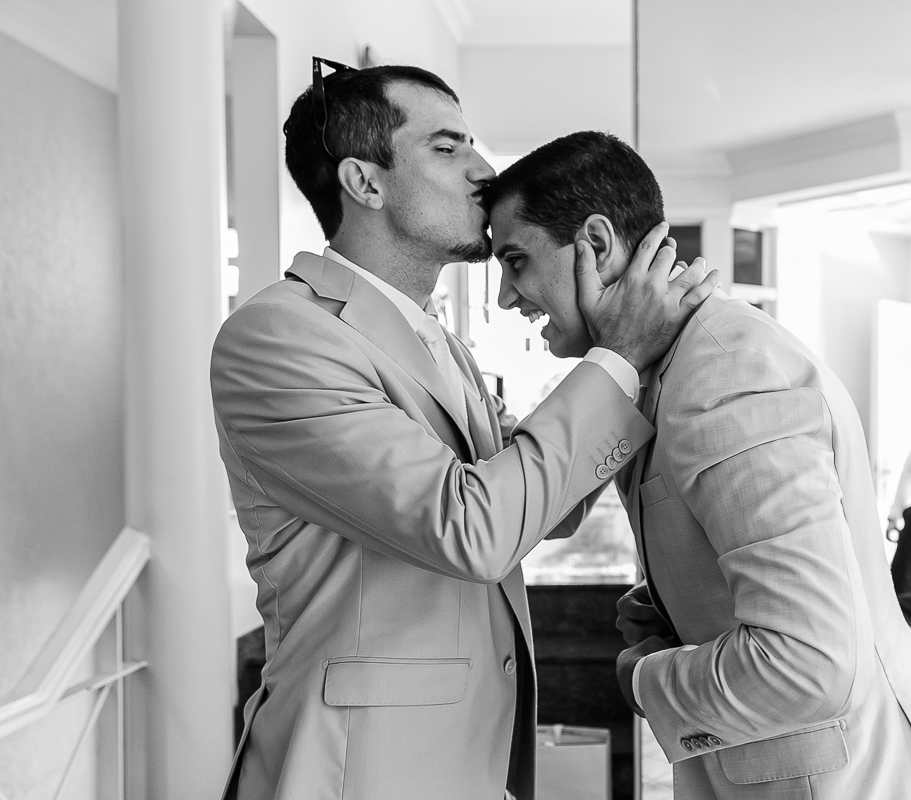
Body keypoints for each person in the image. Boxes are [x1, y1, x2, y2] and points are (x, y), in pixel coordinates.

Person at [209, 65, 717, 800]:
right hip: (358, 774)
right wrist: (621, 355)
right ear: (365, 182)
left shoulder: (441, 346)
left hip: (466, 765)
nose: (485, 174)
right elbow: (473, 528)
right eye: (449, 150)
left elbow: (550, 502)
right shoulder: (279, 336)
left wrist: (636, 348)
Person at [484, 131, 911, 800]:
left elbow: (807, 664)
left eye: (515, 261)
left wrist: (645, 676)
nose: (504, 298)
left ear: (597, 245)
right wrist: (675, 603)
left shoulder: (721, 370)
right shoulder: (664, 365)